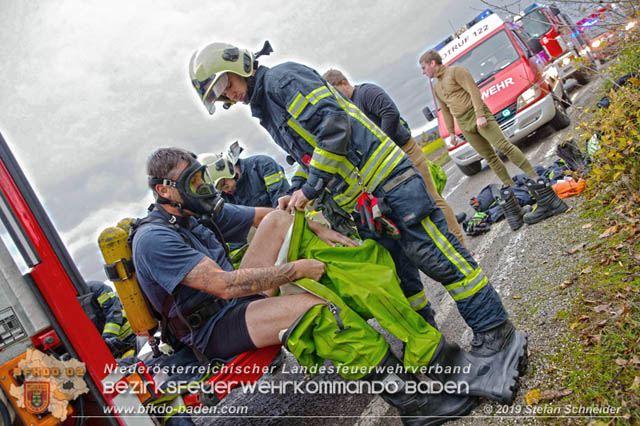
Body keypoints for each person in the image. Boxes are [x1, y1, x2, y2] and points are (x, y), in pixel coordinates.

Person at [187, 42, 527, 375]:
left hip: (388, 183)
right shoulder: (268, 107)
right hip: (367, 202)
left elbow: (333, 126)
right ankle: (430, 346)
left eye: (226, 85)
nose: (228, 95)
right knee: (398, 278)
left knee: (440, 258)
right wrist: (294, 189)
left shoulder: (282, 81)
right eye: (220, 95)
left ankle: (496, 331)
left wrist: (311, 187)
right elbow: (310, 153)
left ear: (239, 66)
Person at [131, 147, 526, 423]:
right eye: (193, 181)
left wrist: (315, 225)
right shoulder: (154, 238)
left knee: (282, 219)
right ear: (164, 189)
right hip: (212, 328)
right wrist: (296, 270)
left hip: (235, 302)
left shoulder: (191, 216)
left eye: (202, 177)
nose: (204, 187)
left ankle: (431, 355)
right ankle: (412, 401)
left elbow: (269, 216)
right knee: (315, 309)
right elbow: (222, 286)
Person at [419, 50, 567, 227]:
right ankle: (512, 189)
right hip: (464, 124)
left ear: (433, 63)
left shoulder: (457, 71)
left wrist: (480, 115)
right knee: (489, 157)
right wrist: (451, 133)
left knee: (504, 146)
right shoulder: (436, 87)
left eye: (424, 67)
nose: (423, 72)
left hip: (478, 115)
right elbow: (445, 110)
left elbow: (474, 91)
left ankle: (534, 177)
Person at [322, 69, 465, 245]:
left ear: (343, 82)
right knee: (413, 207)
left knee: (430, 198)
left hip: (406, 151)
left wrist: (382, 144)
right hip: (389, 163)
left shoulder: (367, 92)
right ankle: (442, 245)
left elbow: (390, 113)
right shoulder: (348, 110)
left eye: (336, 92)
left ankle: (461, 247)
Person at [201, 142, 290, 208]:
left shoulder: (263, 165)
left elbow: (281, 198)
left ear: (226, 170)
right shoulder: (223, 197)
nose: (225, 191)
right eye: (220, 189)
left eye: (223, 185)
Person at [86, 280, 137, 357]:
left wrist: (107, 338)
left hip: (131, 336)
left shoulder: (97, 288)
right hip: (112, 348)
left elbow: (114, 312)